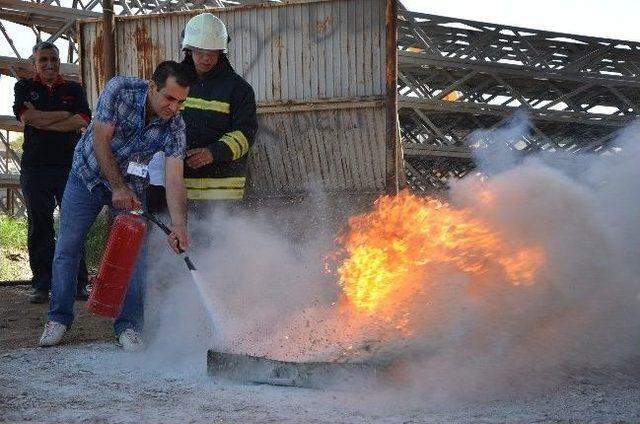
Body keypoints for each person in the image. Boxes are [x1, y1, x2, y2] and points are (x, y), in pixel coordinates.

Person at [38, 61, 193, 351]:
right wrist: (117, 187)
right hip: (87, 176)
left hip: (132, 188)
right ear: (152, 86)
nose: (173, 108)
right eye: (169, 98)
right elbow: (100, 140)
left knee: (135, 252)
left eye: (180, 102)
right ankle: (58, 318)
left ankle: (129, 326)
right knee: (68, 246)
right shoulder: (119, 89)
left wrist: (179, 226)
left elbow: (174, 179)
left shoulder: (176, 126)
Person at [13, 41, 91, 304]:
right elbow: (29, 119)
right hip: (35, 169)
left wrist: (44, 118)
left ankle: (78, 284)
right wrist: (63, 115)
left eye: (54, 59)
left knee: (73, 225)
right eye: (43, 59)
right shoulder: (24, 87)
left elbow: (82, 121)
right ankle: (41, 286)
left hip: (70, 167)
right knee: (40, 226)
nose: (49, 64)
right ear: (34, 63)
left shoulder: (73, 88)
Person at [180, 13, 258, 209]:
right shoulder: (173, 83)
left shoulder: (239, 89)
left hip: (223, 193)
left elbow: (245, 135)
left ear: (221, 53)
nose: (206, 59)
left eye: (213, 53)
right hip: (178, 188)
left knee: (221, 241)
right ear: (189, 50)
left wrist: (213, 153)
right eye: (200, 52)